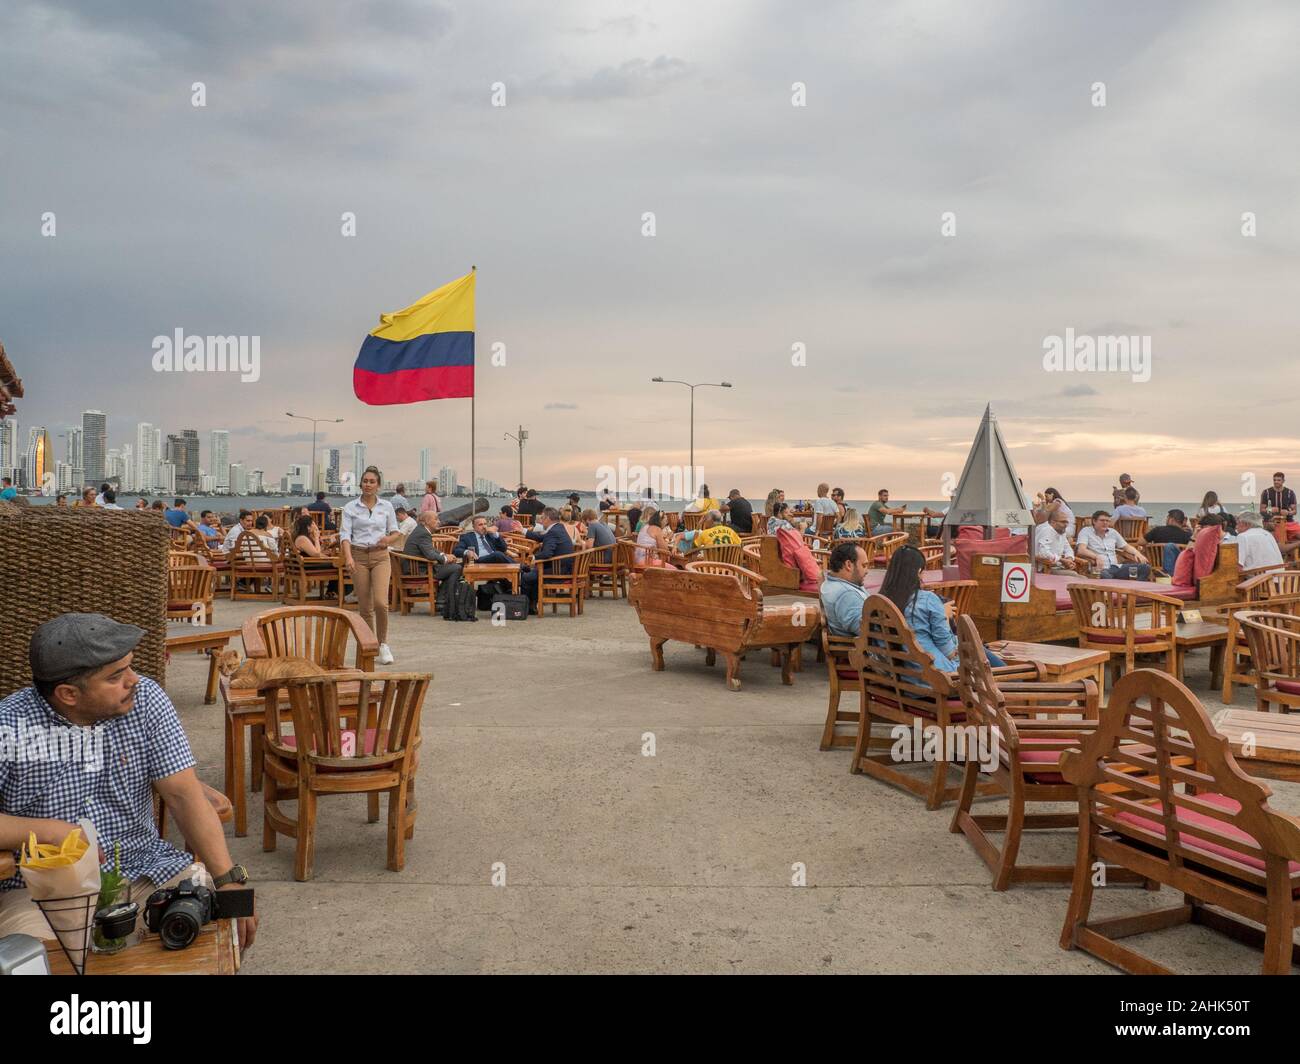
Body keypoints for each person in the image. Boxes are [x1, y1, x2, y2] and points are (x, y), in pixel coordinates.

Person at [0, 613, 256, 948]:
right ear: (68, 694)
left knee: (212, 937)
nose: (134, 680)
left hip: (147, 872)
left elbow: (184, 795)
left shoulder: (146, 700)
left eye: (130, 667)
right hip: (40, 891)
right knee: (28, 961)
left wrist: (229, 882)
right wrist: (50, 831)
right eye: (116, 676)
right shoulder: (9, 725)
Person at [878, 547, 1004, 671]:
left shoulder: (880, 603)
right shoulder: (928, 600)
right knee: (979, 651)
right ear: (918, 571)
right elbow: (949, 653)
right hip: (938, 680)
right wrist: (944, 618)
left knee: (976, 648)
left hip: (905, 678)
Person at [340, 465, 400, 665]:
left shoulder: (387, 507)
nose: (368, 485)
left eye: (372, 481)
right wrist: (348, 558)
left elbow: (396, 532)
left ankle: (383, 644)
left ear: (378, 485)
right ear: (360, 484)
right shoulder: (350, 508)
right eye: (365, 481)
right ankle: (370, 644)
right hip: (358, 556)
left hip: (380, 556)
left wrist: (387, 540)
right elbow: (345, 536)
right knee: (365, 607)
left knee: (381, 603)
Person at [401, 512, 465, 606]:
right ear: (426, 521)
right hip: (419, 570)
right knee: (457, 568)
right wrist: (446, 559)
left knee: (453, 568)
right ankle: (441, 600)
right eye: (436, 519)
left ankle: (442, 599)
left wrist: (444, 554)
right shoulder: (423, 533)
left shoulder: (421, 530)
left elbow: (431, 549)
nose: (439, 521)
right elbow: (430, 555)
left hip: (417, 567)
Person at [520, 508, 575, 611]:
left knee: (526, 577)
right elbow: (542, 537)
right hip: (564, 568)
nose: (540, 521)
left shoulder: (553, 532)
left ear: (548, 519)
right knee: (531, 572)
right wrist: (523, 530)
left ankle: (524, 607)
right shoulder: (559, 528)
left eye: (542, 518)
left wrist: (534, 557)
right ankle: (532, 606)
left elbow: (547, 553)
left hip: (558, 571)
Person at [1075, 511, 1150, 579]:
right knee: (1105, 575)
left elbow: (1126, 546)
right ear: (1094, 521)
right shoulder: (1086, 531)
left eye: (1107, 521)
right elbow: (1081, 550)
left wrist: (1138, 553)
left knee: (1145, 568)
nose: (1105, 523)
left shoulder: (1113, 532)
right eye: (1102, 520)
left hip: (1116, 567)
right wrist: (1096, 557)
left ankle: (1135, 591)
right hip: (1101, 569)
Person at [820, 542, 871, 636]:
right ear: (848, 565)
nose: (867, 571)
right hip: (861, 649)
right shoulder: (847, 595)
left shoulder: (831, 583)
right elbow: (869, 631)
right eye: (864, 565)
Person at [1140, 509, 1192, 574]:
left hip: (1156, 565)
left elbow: (1140, 542)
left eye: (1167, 518)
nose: (1166, 520)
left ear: (1171, 519)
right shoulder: (1187, 535)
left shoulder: (1157, 530)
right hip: (1177, 567)